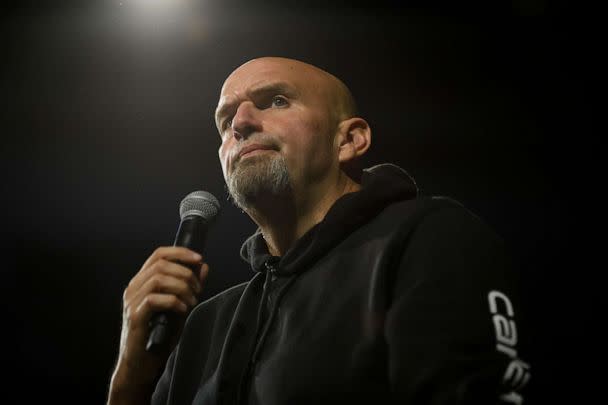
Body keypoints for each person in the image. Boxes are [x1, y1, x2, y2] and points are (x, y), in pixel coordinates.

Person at [107, 57, 531, 405]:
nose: (240, 123)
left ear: (350, 140)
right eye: (224, 121)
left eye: (274, 100)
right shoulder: (204, 324)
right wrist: (131, 378)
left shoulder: (427, 237)